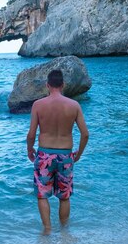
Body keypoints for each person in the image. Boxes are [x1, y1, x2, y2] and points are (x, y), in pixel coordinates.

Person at [26, 69, 89, 233]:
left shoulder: (38, 105)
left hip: (44, 154)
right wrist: (78, 154)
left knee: (42, 194)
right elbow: (85, 134)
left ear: (47, 85)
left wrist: (29, 150)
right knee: (64, 195)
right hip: (66, 154)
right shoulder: (74, 105)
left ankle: (47, 230)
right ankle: (64, 231)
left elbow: (31, 134)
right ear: (63, 85)